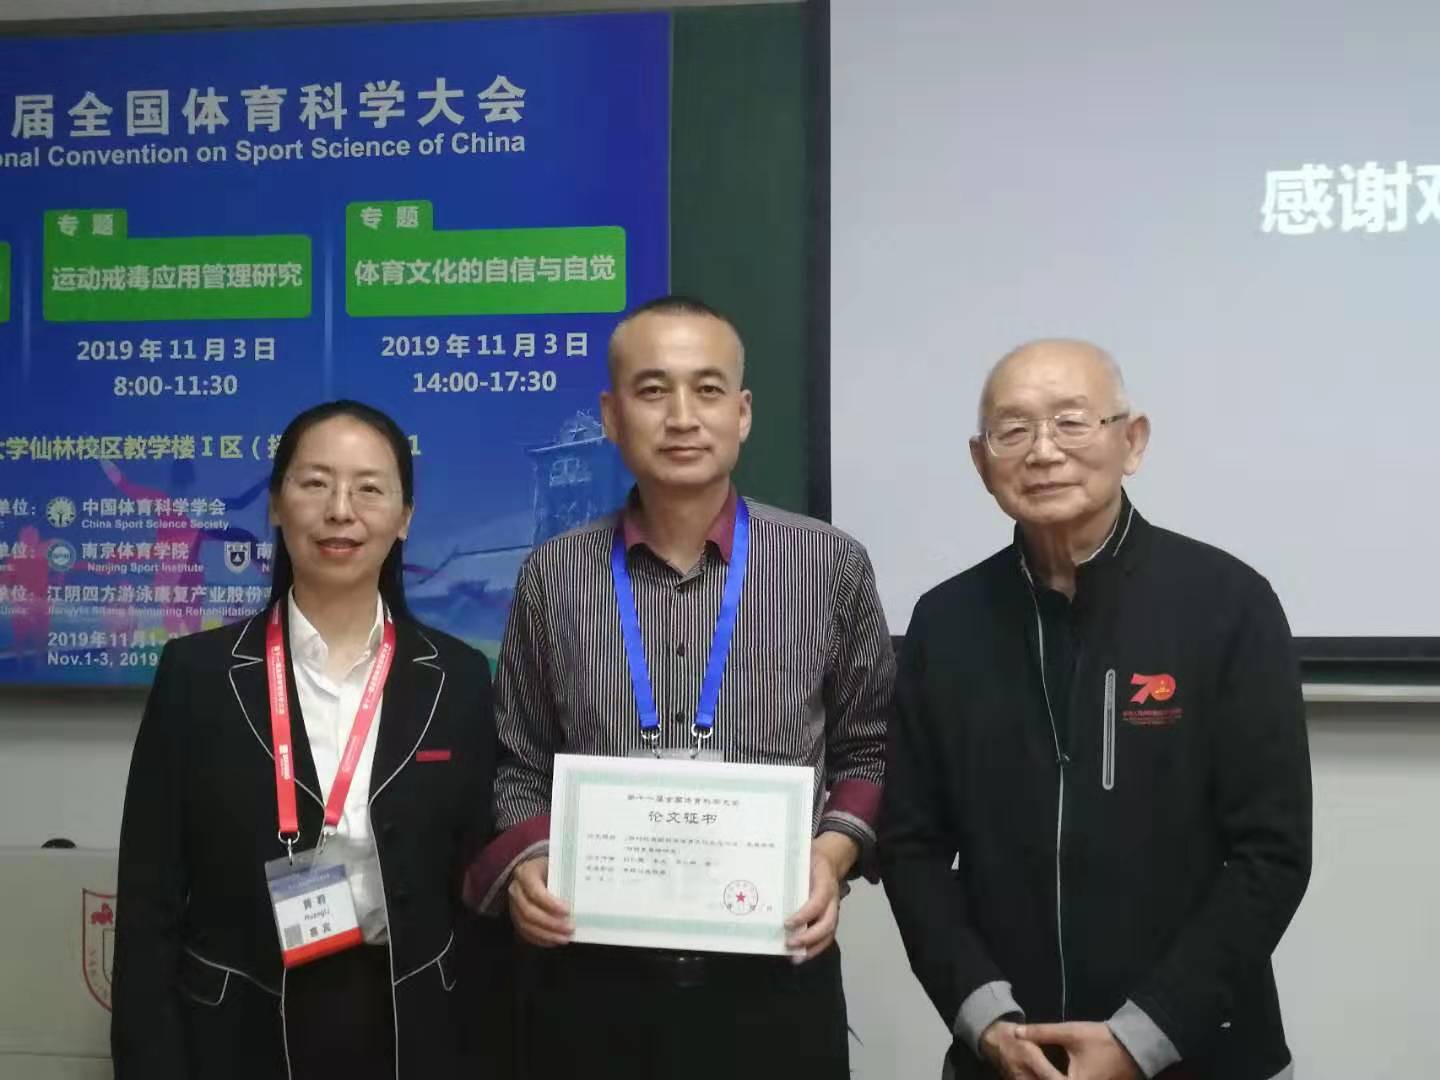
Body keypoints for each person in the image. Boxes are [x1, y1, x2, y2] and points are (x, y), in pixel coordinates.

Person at [465, 295, 895, 1080]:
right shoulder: (552, 574)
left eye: (707, 389)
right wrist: (530, 860)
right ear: (611, 415)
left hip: (773, 981)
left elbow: (869, 750)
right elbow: (519, 760)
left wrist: (829, 859)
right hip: (591, 987)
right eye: (653, 389)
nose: (682, 417)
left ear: (743, 412)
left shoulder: (830, 565)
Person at [880, 340, 1312, 1080]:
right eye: (1013, 430)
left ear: (1131, 441)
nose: (1044, 451)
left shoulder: (1227, 604)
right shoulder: (945, 623)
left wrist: (1144, 1036)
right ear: (981, 462)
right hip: (1009, 1054)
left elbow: (1271, 853)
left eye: (1072, 422)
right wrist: (984, 1019)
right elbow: (911, 845)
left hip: (1202, 1050)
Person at [112, 400, 499, 1080]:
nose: (340, 510)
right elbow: (149, 903)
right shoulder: (196, 676)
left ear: (405, 517)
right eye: (315, 482)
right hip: (238, 1026)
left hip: (411, 1024)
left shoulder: (459, 677)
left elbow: (473, 891)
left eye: (369, 488)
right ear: (275, 504)